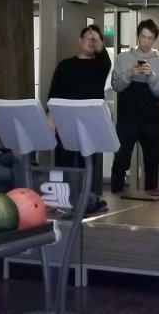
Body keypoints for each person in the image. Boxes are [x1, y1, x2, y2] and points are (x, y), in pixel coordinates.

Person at [48, 25, 112, 192]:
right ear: (80, 40)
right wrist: (50, 116)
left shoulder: (101, 65)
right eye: (88, 38)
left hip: (91, 121)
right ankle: (63, 198)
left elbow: (104, 57)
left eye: (96, 39)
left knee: (88, 163)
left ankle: (87, 199)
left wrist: (98, 41)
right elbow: (54, 92)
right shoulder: (65, 65)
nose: (92, 41)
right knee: (64, 161)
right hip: (65, 120)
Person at [110, 18, 159, 193]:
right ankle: (116, 196)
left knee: (151, 162)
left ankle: (151, 200)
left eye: (150, 38)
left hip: (151, 120)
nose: (146, 41)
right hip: (126, 119)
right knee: (120, 160)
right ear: (137, 36)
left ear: (154, 39)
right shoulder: (122, 58)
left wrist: (151, 75)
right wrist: (129, 73)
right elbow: (116, 86)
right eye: (143, 37)